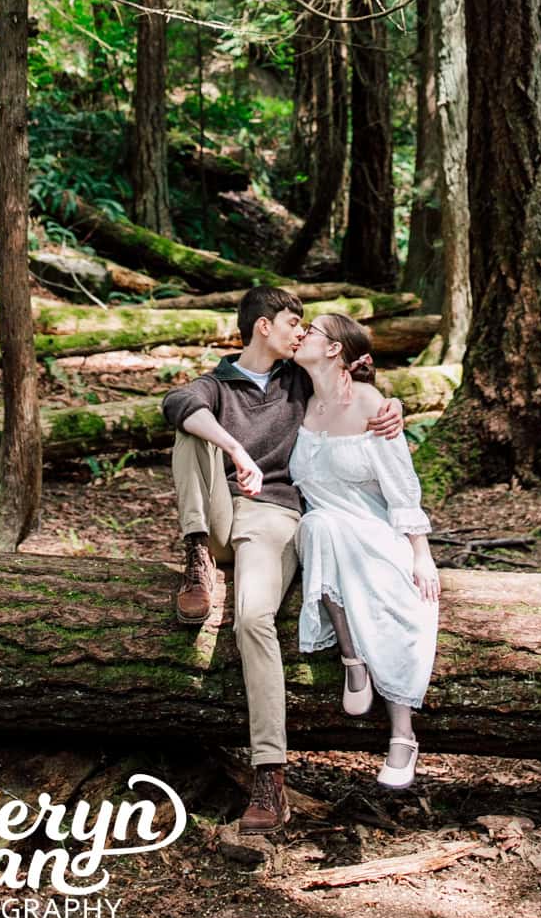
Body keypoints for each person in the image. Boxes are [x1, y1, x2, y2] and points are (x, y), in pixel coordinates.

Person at [160, 285, 405, 836]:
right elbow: (176, 403)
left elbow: (355, 389)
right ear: (263, 327)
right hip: (221, 516)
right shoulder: (217, 383)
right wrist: (236, 449)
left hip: (274, 518)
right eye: (294, 323)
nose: (302, 332)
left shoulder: (300, 380)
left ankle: (268, 774)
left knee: (251, 618)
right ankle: (195, 554)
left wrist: (393, 406)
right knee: (190, 429)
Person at [289, 311, 438, 791]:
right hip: (322, 532)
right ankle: (353, 660)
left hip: (375, 532)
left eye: (310, 331)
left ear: (334, 349)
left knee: (391, 600)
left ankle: (403, 735)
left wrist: (421, 552)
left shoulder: (373, 404)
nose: (301, 335)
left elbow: (401, 486)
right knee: (319, 524)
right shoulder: (298, 399)